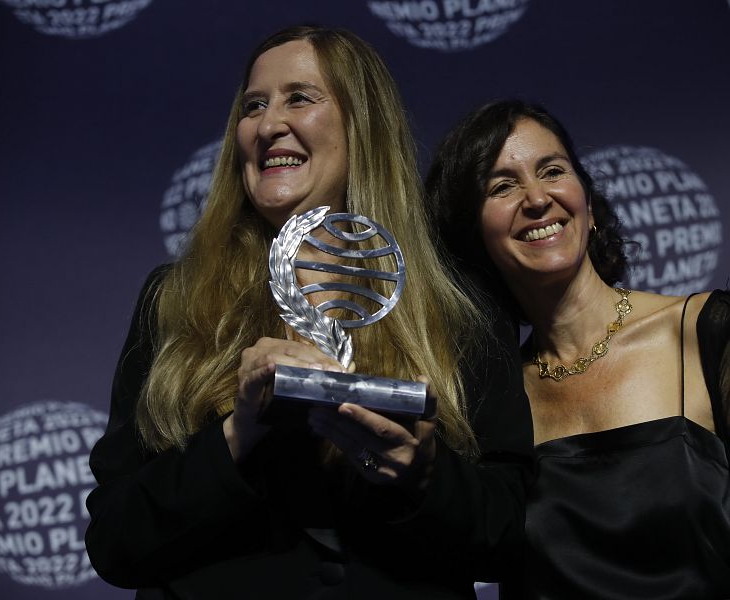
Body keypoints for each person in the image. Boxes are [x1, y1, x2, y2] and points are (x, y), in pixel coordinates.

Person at [85, 27, 533, 599]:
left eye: (299, 97)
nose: (268, 124)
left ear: (362, 125)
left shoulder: (459, 306)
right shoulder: (174, 300)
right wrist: (238, 433)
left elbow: (508, 535)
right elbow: (115, 541)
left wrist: (424, 474)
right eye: (254, 106)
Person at [426, 99, 730, 599]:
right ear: (474, 235)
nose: (536, 198)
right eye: (502, 186)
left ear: (587, 201)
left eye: (552, 171)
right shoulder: (490, 395)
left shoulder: (703, 331)